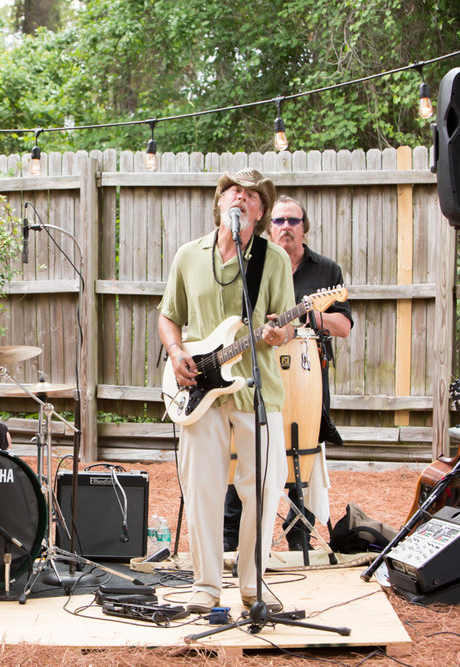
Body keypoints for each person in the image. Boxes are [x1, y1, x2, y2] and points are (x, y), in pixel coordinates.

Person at [158, 168, 294, 614]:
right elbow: (168, 315)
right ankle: (206, 585)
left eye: (252, 196)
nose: (242, 198)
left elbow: (284, 325)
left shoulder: (271, 259)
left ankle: (253, 586)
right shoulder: (187, 255)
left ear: (260, 212)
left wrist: (279, 334)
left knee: (263, 487)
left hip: (257, 389)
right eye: (234, 191)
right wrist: (176, 353)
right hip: (199, 390)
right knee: (203, 486)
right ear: (220, 202)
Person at [223, 195, 353, 553]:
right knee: (243, 451)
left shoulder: (326, 271)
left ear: (304, 228)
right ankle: (230, 540)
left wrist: (308, 317)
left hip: (303, 376)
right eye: (278, 221)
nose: (285, 227)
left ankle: (299, 542)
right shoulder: (255, 261)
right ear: (269, 226)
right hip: (254, 367)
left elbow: (343, 325)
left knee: (298, 458)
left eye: (293, 221)